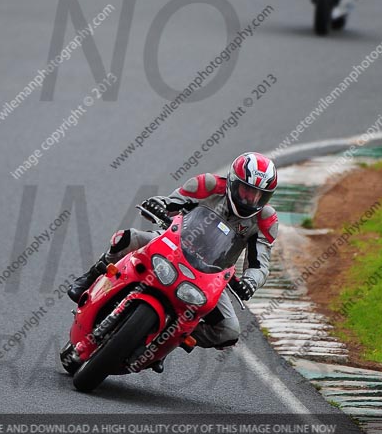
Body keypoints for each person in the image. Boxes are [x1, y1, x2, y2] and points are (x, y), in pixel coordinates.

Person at [67, 153, 279, 362]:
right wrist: (158, 205)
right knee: (126, 238)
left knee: (229, 331)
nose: (250, 198)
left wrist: (251, 282)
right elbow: (173, 202)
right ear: (233, 181)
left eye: (258, 194)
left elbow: (260, 262)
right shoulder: (208, 184)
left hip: (211, 274)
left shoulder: (265, 220)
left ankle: (169, 338)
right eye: (246, 190)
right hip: (173, 244)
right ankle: (90, 277)